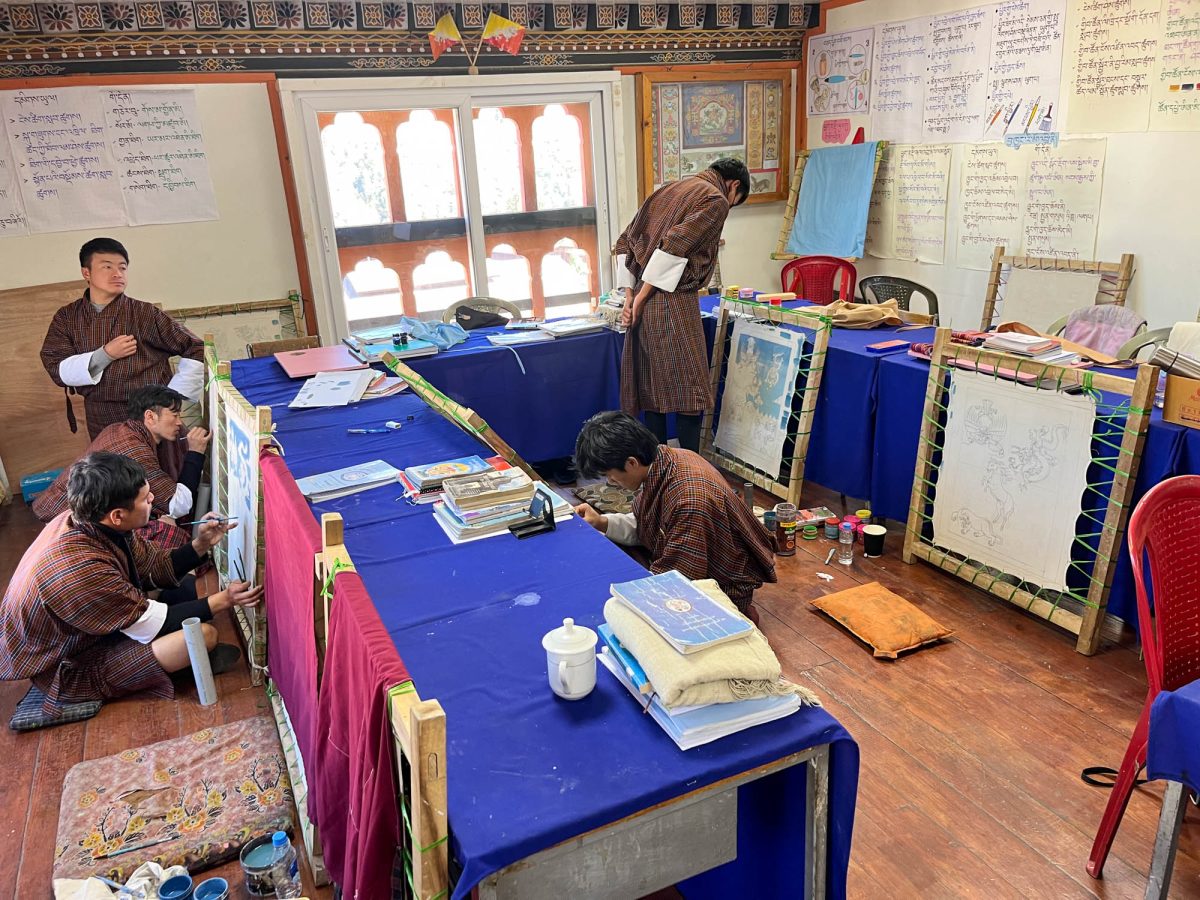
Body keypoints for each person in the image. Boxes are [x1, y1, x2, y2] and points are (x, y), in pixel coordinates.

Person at [0, 452, 262, 716]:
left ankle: (178, 663)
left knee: (185, 586)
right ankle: (172, 668)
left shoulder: (92, 521)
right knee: (203, 635)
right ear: (117, 515)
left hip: (88, 633)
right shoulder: (80, 568)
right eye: (145, 498)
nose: (152, 499)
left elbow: (153, 565)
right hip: (69, 669)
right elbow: (151, 624)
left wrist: (201, 544)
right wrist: (225, 599)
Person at [573, 411, 776, 618]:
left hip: (723, 591)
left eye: (610, 476)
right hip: (691, 563)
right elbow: (649, 523)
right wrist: (602, 522)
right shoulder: (669, 458)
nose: (610, 482)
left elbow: (677, 583)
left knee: (610, 602)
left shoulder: (689, 500)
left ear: (632, 463)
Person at [612, 158, 750, 453]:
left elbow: (626, 240)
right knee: (689, 391)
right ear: (734, 185)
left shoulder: (671, 188)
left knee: (654, 391)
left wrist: (630, 296)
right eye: (735, 201)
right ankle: (690, 468)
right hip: (672, 302)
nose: (730, 206)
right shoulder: (715, 199)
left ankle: (658, 468)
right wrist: (641, 297)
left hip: (644, 300)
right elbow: (674, 246)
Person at [40, 237, 205, 440]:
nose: (117, 273)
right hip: (101, 415)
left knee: (161, 460)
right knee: (111, 460)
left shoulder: (145, 313)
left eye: (123, 267)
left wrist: (173, 397)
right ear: (86, 273)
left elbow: (196, 348)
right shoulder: (67, 317)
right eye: (107, 267)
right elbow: (55, 365)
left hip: (152, 415)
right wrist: (105, 354)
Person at [33, 385, 211, 540]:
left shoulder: (122, 429)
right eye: (174, 414)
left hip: (65, 511)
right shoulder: (133, 449)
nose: (179, 422)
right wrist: (195, 453)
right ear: (150, 417)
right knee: (168, 531)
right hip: (64, 522)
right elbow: (178, 505)